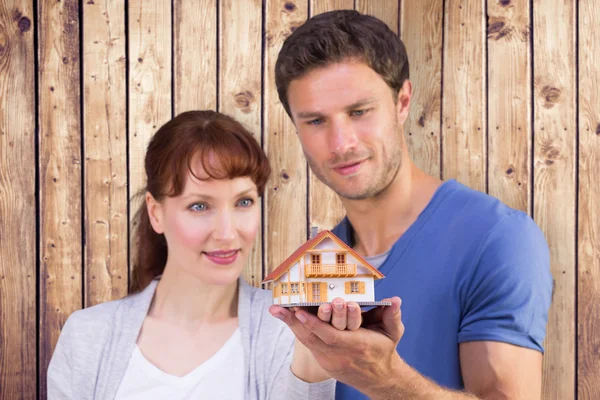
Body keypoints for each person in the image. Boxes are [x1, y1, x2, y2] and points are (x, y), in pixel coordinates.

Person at [268, 10, 553, 400]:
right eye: (316, 121)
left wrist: (384, 378)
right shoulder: (318, 268)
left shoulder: (497, 238)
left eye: (359, 112)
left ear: (402, 102)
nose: (341, 143)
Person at [47, 110, 335, 399]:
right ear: (156, 213)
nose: (226, 233)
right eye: (199, 206)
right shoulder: (87, 337)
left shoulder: (291, 331)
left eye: (243, 202)